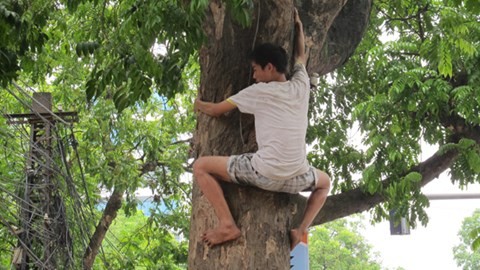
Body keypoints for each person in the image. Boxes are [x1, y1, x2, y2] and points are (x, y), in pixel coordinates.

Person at [193, 8, 330, 250]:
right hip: (296, 177)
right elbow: (300, 57)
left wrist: (198, 103)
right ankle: (301, 230)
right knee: (325, 182)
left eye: (255, 69)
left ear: (269, 67)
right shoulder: (301, 86)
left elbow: (216, 110)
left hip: (262, 174)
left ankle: (227, 224)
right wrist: (299, 28)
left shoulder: (258, 92)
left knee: (201, 167)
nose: (254, 76)